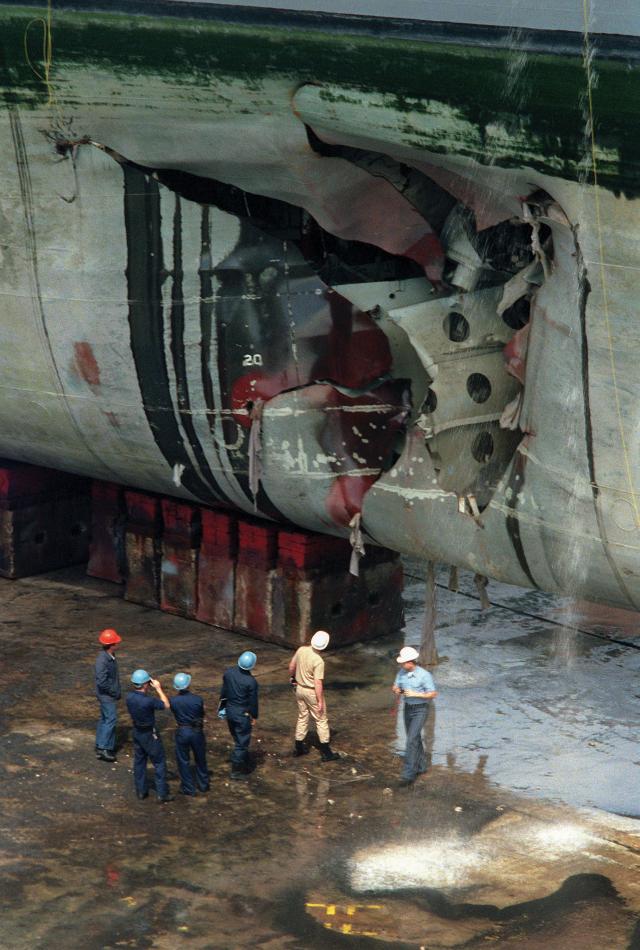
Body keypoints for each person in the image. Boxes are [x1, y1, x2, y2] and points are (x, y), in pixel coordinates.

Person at [288, 629, 339, 762]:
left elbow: (291, 666)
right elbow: (318, 683)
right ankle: (326, 753)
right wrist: (320, 701)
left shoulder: (301, 650)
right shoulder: (319, 661)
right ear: (324, 646)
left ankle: (298, 748)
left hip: (299, 689)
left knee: (302, 716)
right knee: (321, 719)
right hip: (311, 691)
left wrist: (293, 677)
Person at [392, 646, 438, 787]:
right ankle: (422, 766)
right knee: (414, 738)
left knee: (411, 739)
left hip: (421, 709)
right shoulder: (401, 673)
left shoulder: (424, 675)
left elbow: (433, 693)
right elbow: (394, 687)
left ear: (410, 662)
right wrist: (398, 690)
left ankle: (408, 774)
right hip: (408, 708)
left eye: (403, 662)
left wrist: (415, 694)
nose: (400, 665)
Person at [125, 669, 174, 803]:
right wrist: (158, 688)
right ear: (146, 684)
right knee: (159, 762)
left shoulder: (129, 697)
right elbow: (166, 705)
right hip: (149, 734)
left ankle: (141, 791)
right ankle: (162, 794)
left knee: (139, 762)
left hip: (137, 731)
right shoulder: (148, 701)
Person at [169, 672, 210, 796]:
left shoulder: (173, 701)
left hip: (182, 731)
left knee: (183, 760)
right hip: (196, 731)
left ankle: (188, 787)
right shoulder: (197, 699)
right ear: (188, 684)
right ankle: (203, 785)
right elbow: (202, 713)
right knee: (200, 758)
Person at [220, 651, 259, 779]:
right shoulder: (251, 682)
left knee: (237, 737)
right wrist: (254, 716)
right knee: (242, 742)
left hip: (230, 710)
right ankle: (236, 771)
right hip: (242, 714)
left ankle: (243, 758)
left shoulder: (228, 673)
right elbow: (253, 702)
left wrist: (222, 708)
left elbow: (224, 691)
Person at [94, 628, 122, 762]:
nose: (118, 644)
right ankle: (104, 748)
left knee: (105, 718)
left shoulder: (109, 657)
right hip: (107, 695)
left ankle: (100, 745)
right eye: (116, 642)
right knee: (110, 719)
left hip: (107, 694)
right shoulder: (103, 660)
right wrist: (114, 691)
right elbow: (102, 682)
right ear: (112, 645)